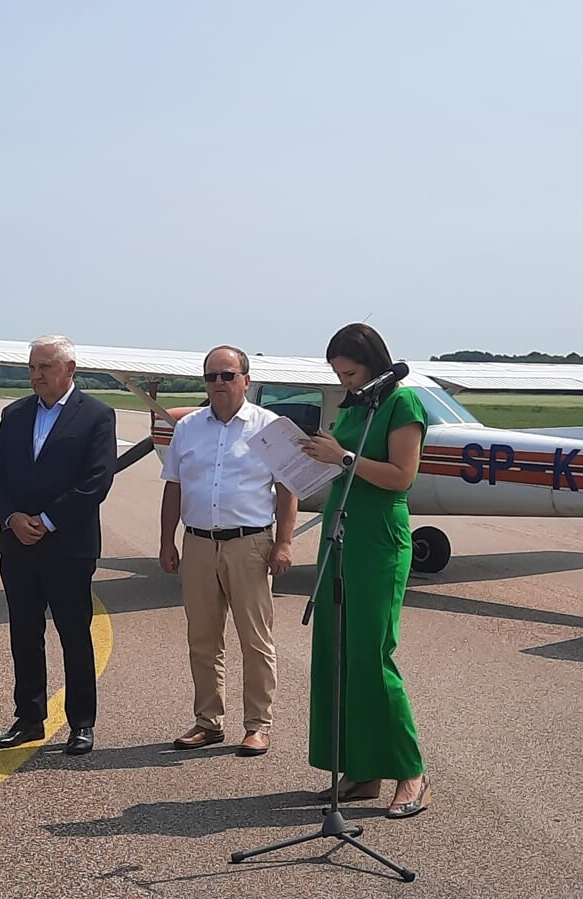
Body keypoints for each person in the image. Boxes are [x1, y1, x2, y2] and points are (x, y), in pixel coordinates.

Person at [296, 322, 431, 818]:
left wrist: (345, 456)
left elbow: (401, 477)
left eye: (350, 372)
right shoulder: (360, 404)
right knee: (339, 655)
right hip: (341, 535)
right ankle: (361, 769)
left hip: (378, 540)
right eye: (338, 374)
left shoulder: (403, 404)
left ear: (374, 363)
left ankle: (412, 774)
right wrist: (315, 457)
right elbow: (343, 464)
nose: (345, 381)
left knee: (374, 657)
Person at [159, 345, 298, 756]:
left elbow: (287, 489)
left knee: (256, 640)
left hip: (250, 543)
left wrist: (284, 542)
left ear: (246, 380)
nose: (218, 384)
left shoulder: (269, 426)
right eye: (211, 377)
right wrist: (167, 540)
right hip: (199, 542)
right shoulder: (187, 428)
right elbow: (174, 485)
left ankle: (258, 724)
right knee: (202, 638)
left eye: (227, 375)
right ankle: (207, 721)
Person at [0, 335, 117, 755]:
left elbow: (96, 481)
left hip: (69, 546)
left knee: (74, 635)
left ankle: (81, 723)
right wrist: (13, 518)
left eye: (45, 367)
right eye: (32, 368)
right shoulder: (15, 413)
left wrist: (48, 519)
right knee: (24, 635)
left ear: (69, 369)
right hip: (18, 544)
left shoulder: (96, 415)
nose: (37, 375)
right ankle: (29, 719)